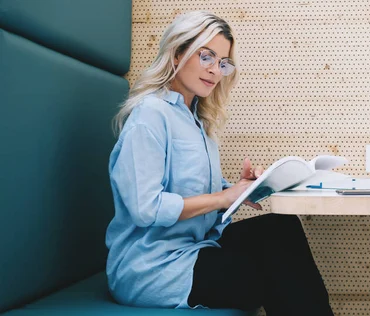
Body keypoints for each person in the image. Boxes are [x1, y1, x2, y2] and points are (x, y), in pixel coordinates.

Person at [105, 10, 334, 316]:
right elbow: (146, 208)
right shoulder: (150, 116)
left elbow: (196, 190)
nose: (215, 70)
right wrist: (222, 197)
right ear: (176, 55)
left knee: (281, 228)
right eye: (206, 57)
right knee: (276, 274)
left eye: (222, 63)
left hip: (195, 248)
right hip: (153, 267)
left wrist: (240, 190)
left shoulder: (198, 121)